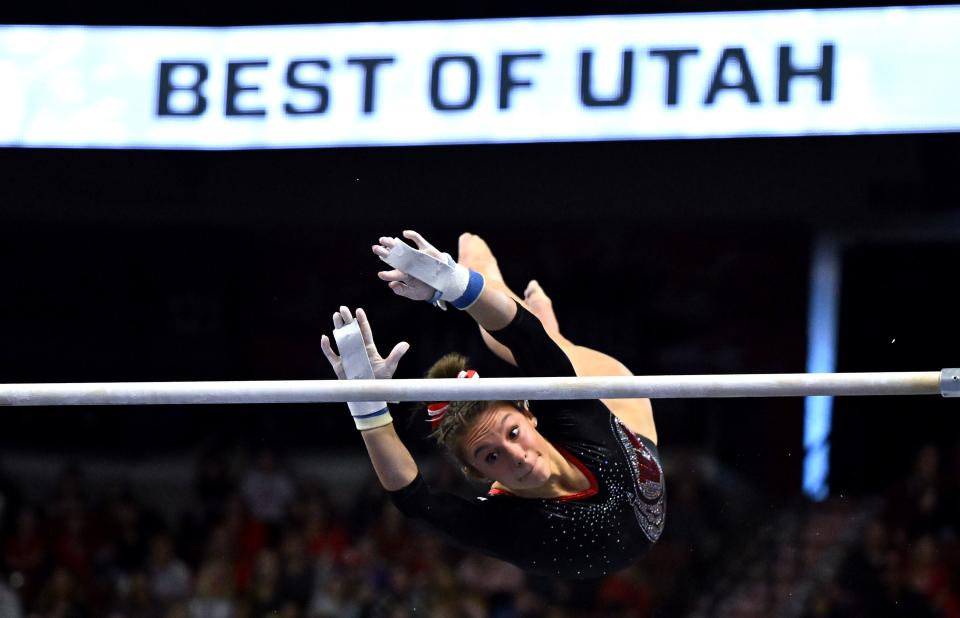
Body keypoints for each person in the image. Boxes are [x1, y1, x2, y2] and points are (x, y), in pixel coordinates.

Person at [320, 230, 665, 579]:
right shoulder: (506, 522)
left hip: (622, 414)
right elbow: (416, 501)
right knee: (542, 350)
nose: (515, 455)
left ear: (530, 414)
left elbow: (525, 335)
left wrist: (455, 284)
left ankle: (475, 268)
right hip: (633, 444)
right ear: (478, 473)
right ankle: (542, 324)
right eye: (491, 456)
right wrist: (368, 409)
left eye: (513, 433)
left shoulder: (571, 418)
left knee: (541, 346)